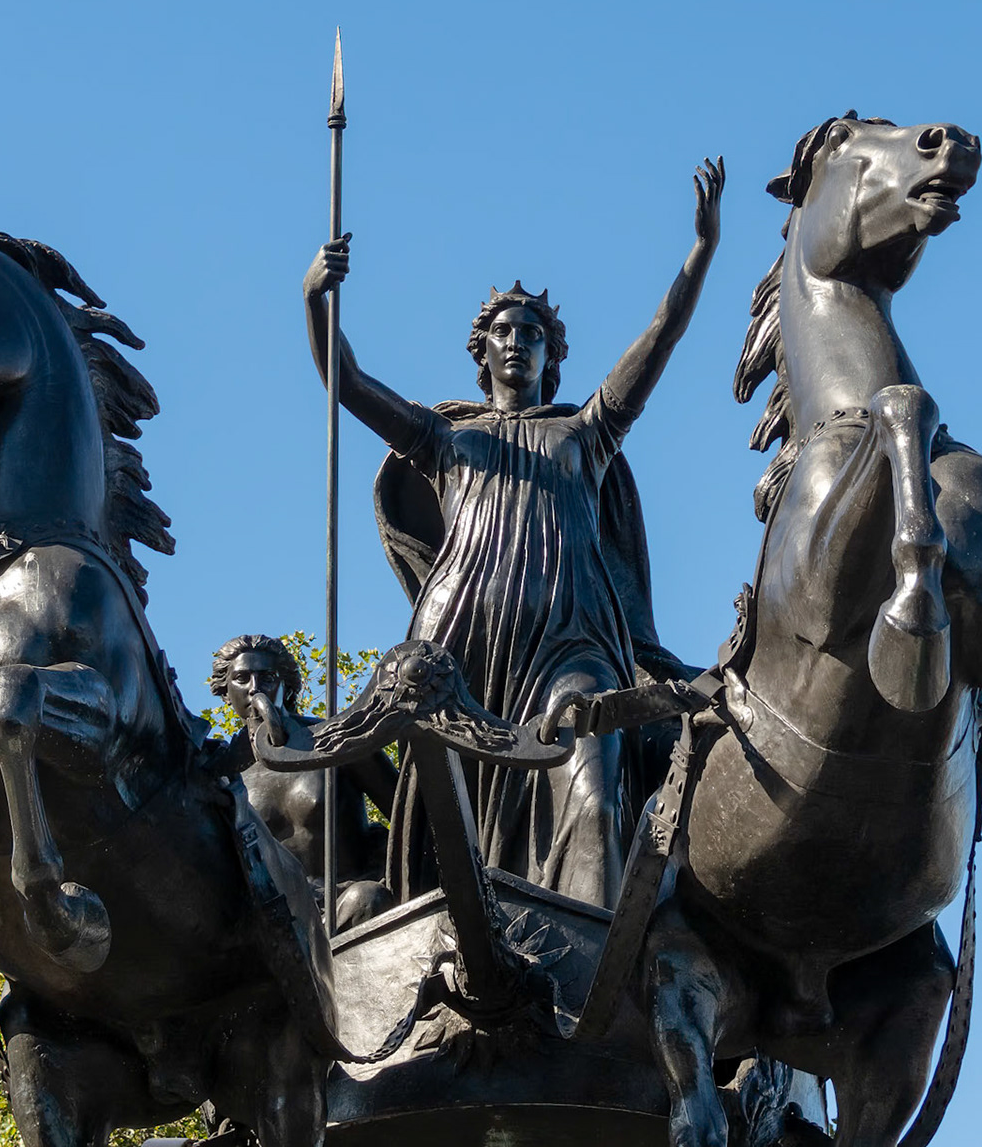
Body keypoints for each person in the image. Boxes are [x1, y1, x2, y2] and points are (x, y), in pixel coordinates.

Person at [300, 158, 723, 906]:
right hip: (461, 647)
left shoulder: (586, 433)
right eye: (504, 331)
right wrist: (315, 299)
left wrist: (700, 250)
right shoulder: (442, 439)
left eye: (534, 334)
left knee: (592, 786)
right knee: (445, 827)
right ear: (483, 351)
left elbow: (660, 339)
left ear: (553, 357)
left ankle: (586, 959)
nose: (518, 341)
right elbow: (348, 382)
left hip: (571, 643)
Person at [208, 634, 397, 931]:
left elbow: (413, 816)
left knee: (366, 898)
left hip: (350, 904)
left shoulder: (337, 741)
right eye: (242, 678)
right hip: (279, 924)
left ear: (287, 684)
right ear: (225, 691)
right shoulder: (222, 777)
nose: (255, 688)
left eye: (267, 677)